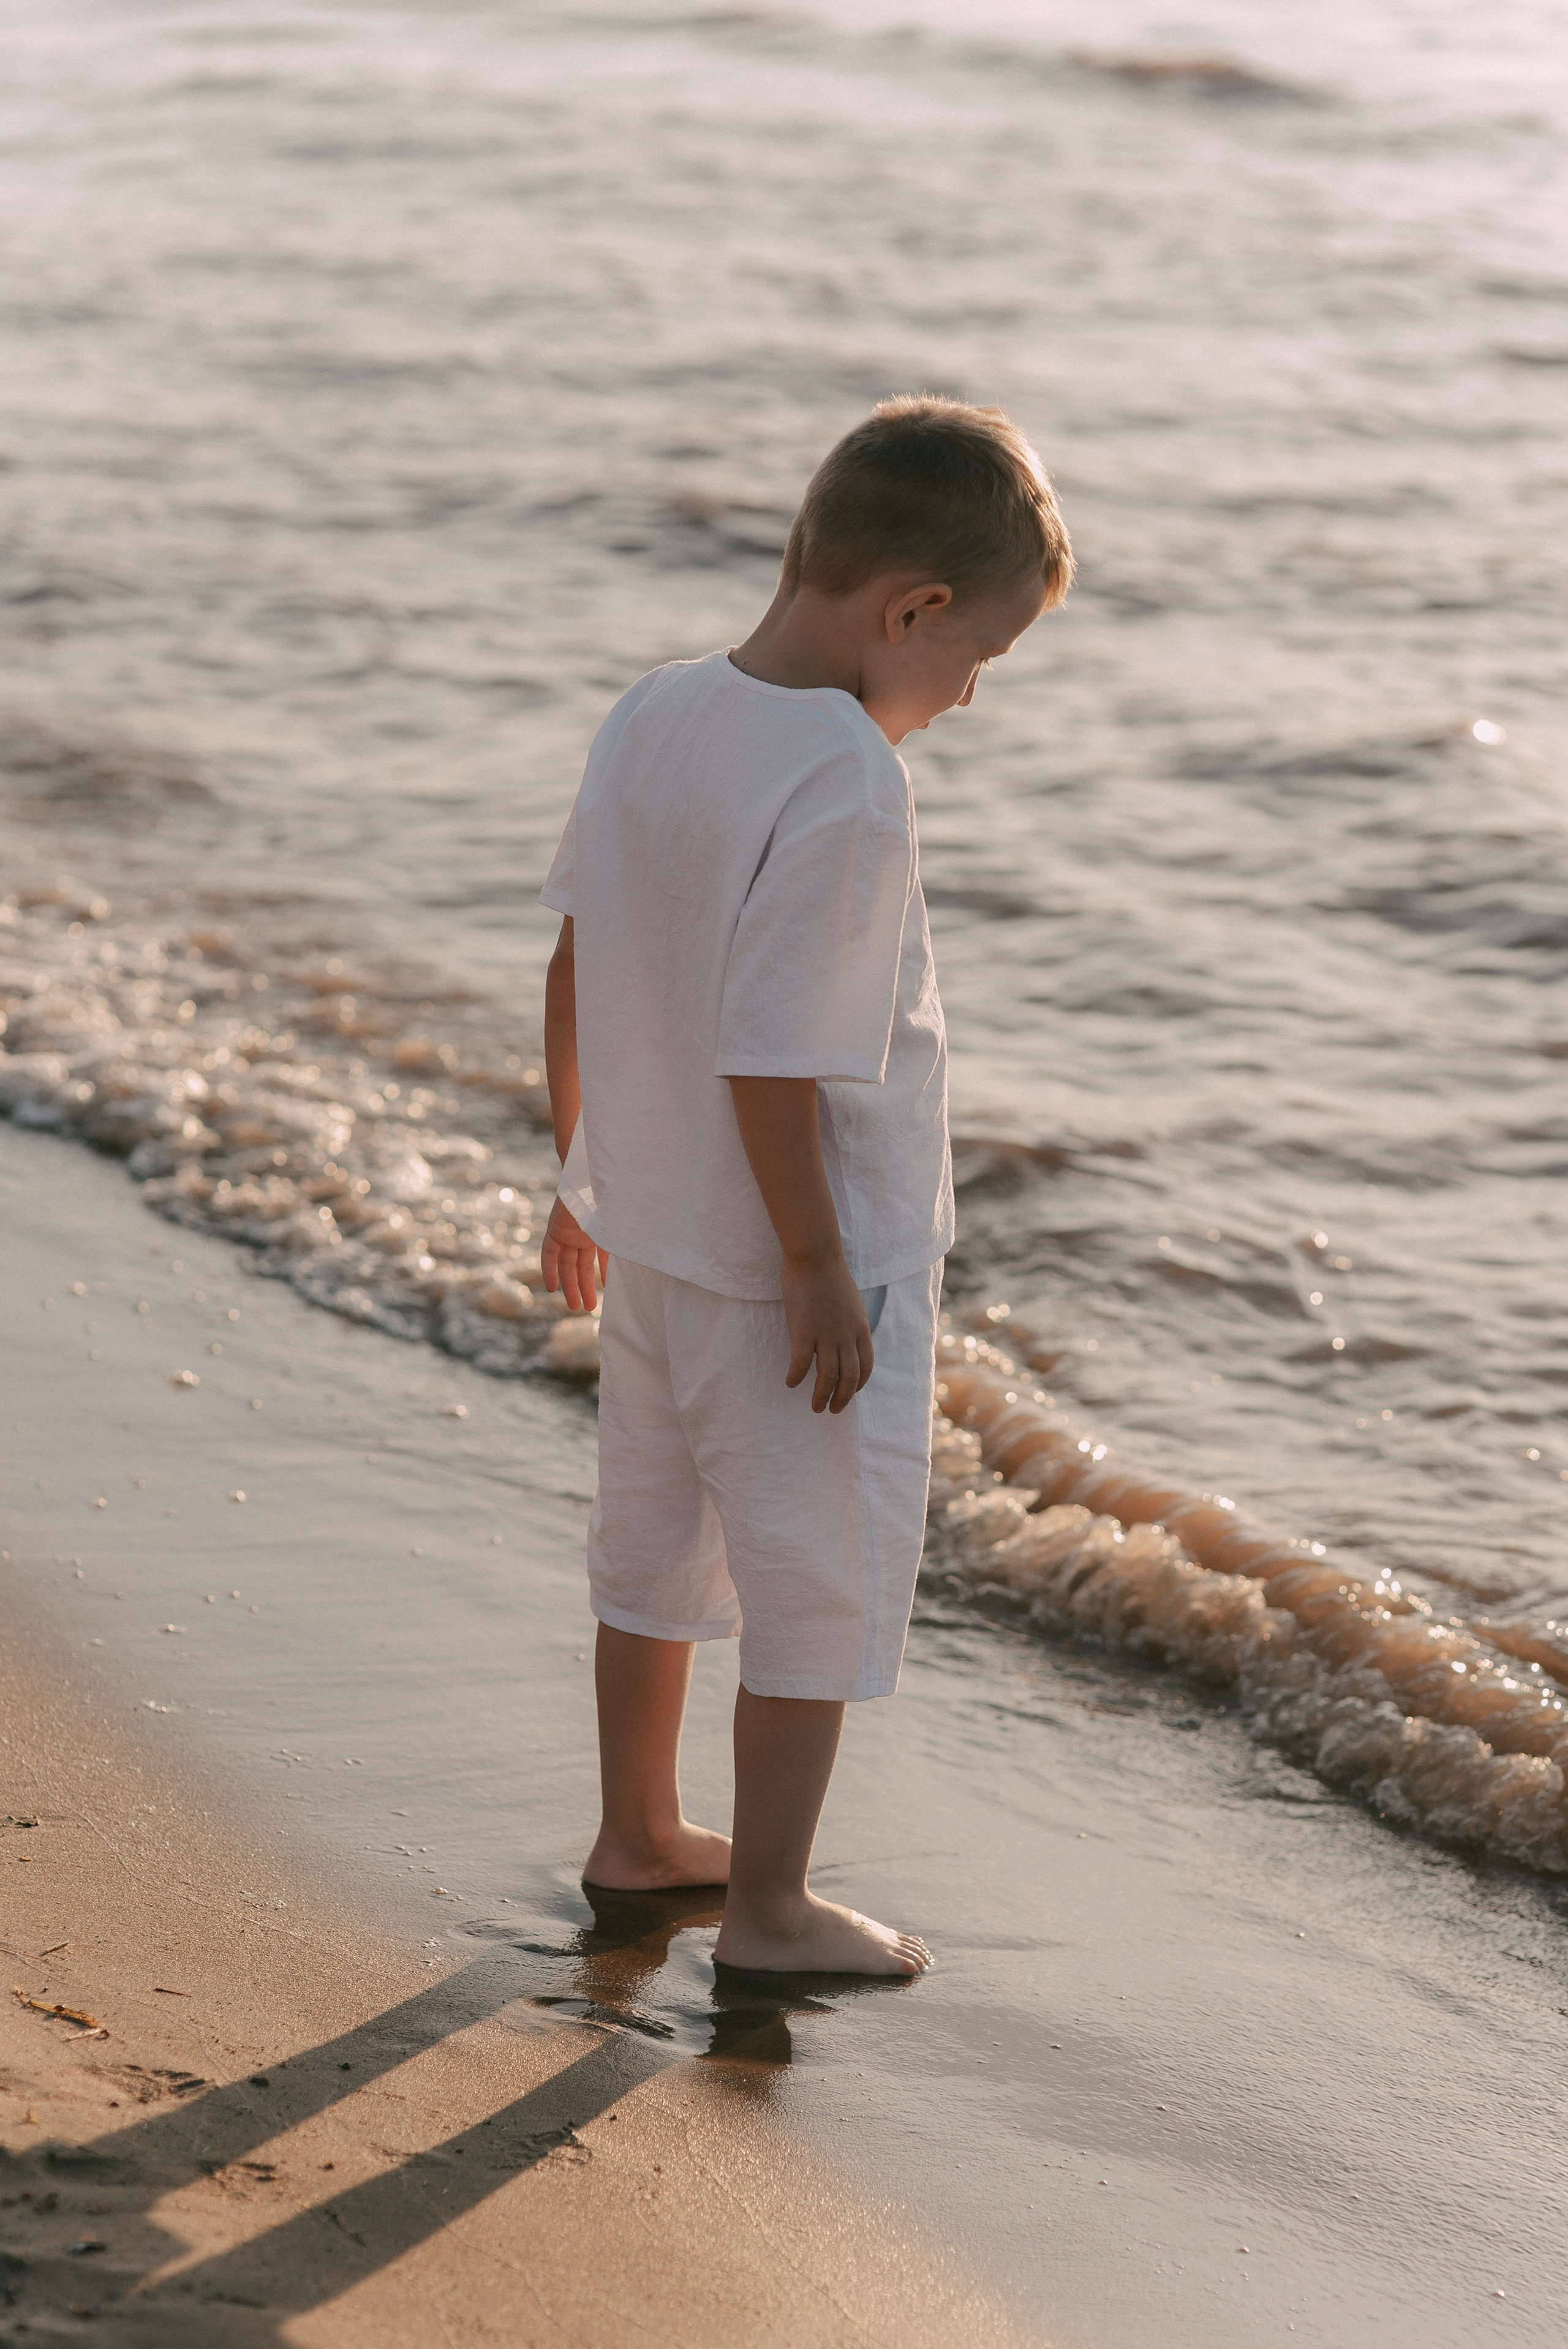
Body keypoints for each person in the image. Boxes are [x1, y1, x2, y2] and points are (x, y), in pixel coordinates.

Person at [538, 394, 1072, 1975]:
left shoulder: (657, 708)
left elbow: (581, 957)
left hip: (657, 1239)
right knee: (811, 1573)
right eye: (976, 659)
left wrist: (586, 1174)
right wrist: (825, 1262)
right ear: (912, 608)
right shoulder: (847, 779)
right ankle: (769, 1908)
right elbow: (775, 1053)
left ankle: (638, 1832)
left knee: (651, 1548)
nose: (965, 698)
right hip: (792, 1275)